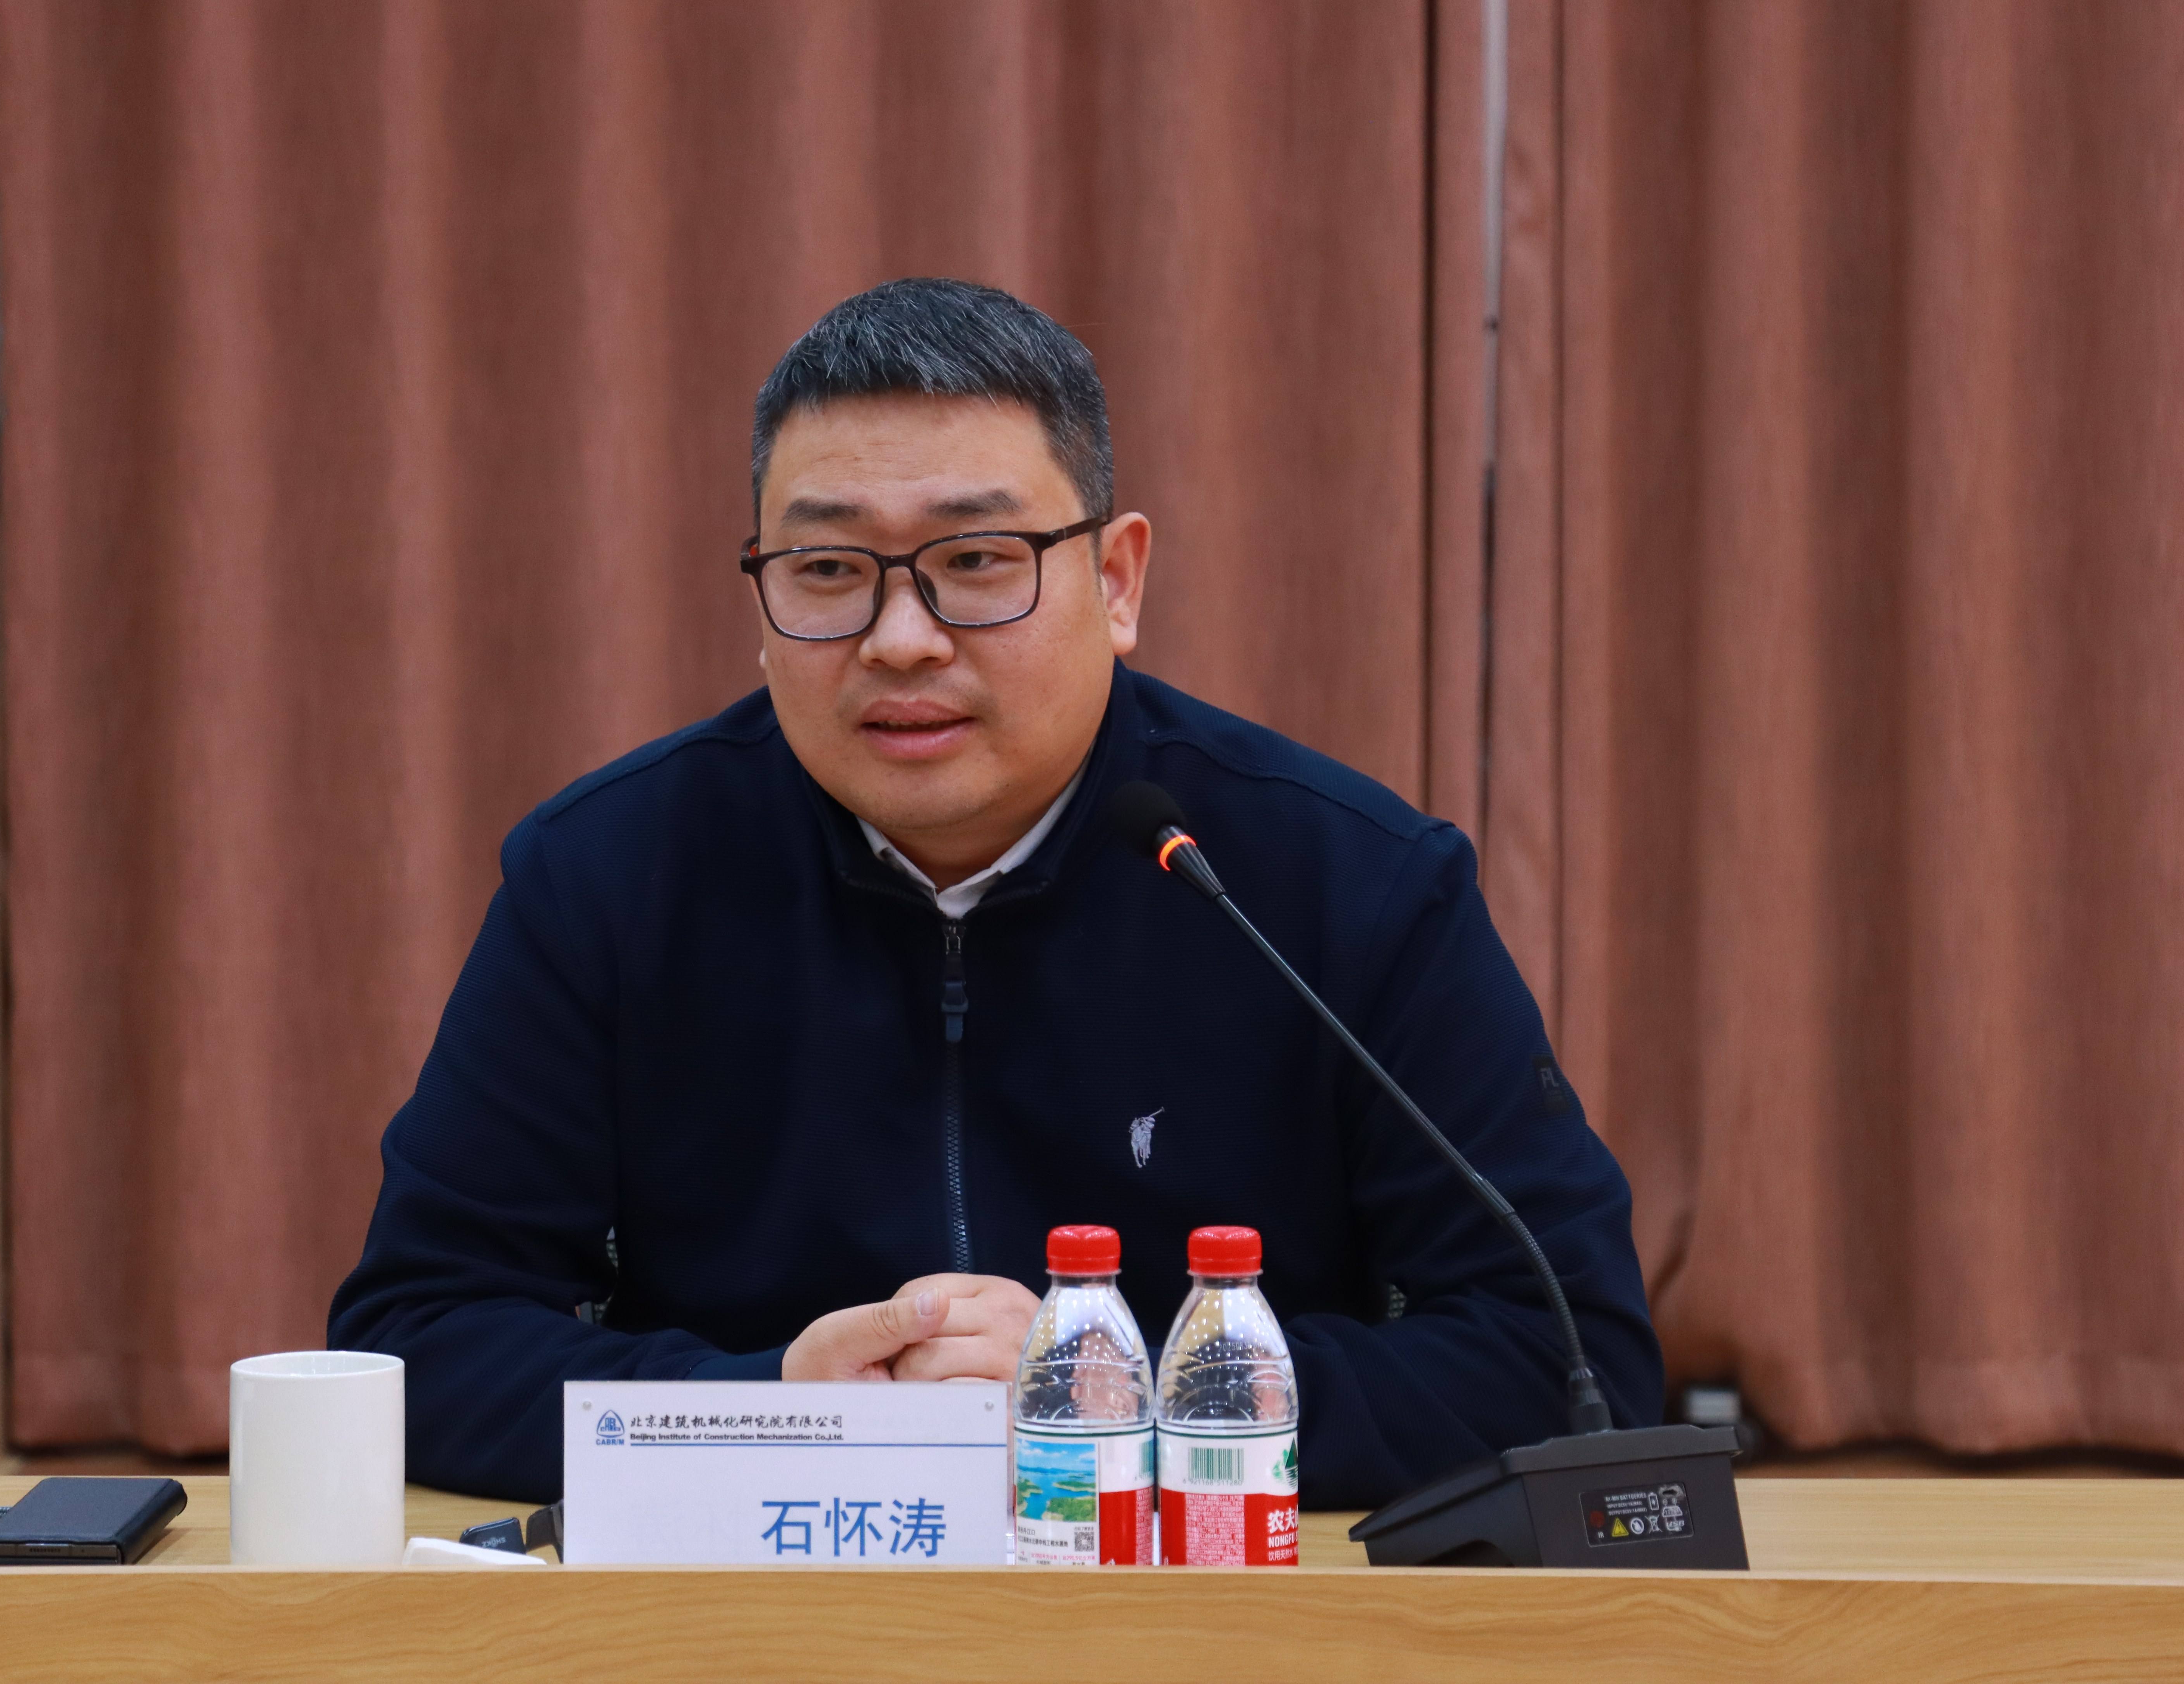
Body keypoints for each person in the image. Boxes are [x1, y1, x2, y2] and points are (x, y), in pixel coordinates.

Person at [329, 278, 1663, 1508]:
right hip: (766, 1605)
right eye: (829, 571)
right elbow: (416, 1340)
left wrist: (1114, 1399)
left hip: (1197, 1615)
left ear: (1116, 581)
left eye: (975, 562)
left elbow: (1569, 1359)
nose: (901, 639)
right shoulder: (608, 876)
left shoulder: (1342, 881)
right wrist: (773, 1408)